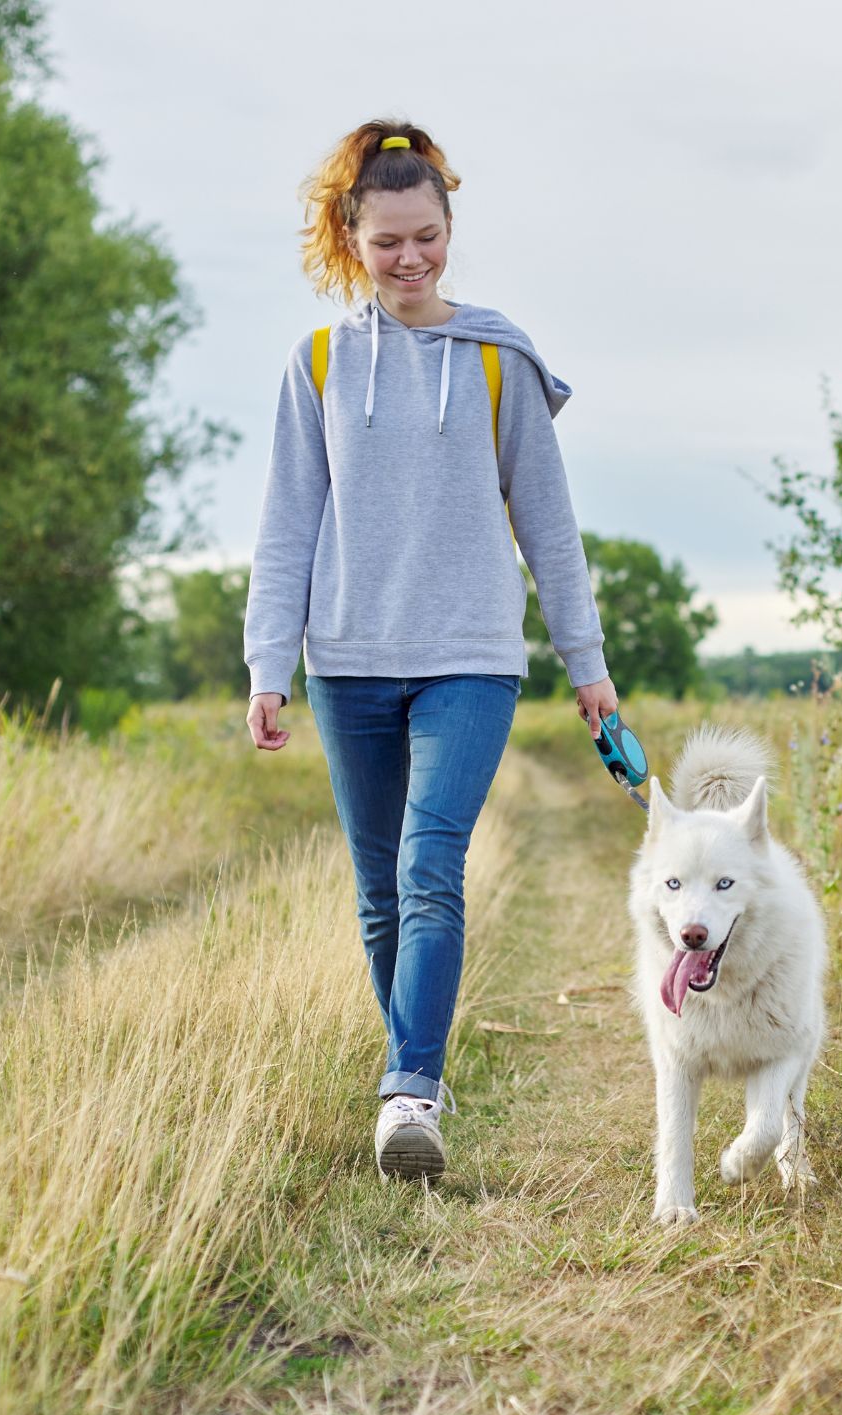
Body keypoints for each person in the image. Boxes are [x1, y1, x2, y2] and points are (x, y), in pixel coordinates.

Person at [243, 119, 619, 1182]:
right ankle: (417, 1075)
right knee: (379, 892)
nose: (410, 259)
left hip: (470, 656)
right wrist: (269, 664)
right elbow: (288, 523)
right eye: (387, 242)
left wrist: (586, 663)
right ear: (351, 239)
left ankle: (409, 1089)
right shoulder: (319, 363)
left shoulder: (499, 360)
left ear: (451, 228)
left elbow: (548, 525)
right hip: (349, 659)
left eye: (427, 237)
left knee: (428, 865)